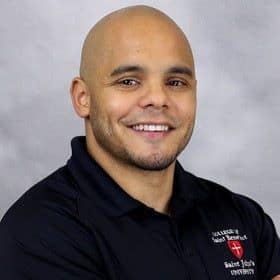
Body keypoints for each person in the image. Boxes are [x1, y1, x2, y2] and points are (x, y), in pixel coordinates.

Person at [0, 5, 279, 279]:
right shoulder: (37, 234)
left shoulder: (242, 217)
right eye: (129, 81)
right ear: (83, 98)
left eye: (176, 82)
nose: (158, 99)